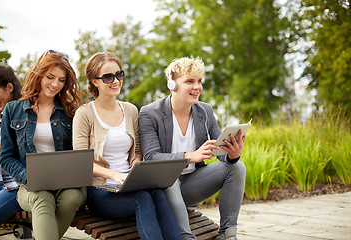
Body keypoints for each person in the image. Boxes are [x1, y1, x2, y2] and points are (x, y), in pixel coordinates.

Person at [73, 51, 181, 240]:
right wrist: (116, 176)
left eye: (119, 74)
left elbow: (137, 151)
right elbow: (81, 162)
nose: (116, 81)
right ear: (94, 81)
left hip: (130, 184)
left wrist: (135, 169)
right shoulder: (85, 114)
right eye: (108, 77)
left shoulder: (130, 110)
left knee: (157, 193)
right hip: (101, 191)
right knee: (144, 199)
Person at [139, 57, 247, 240]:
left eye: (199, 81)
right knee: (169, 175)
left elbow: (220, 151)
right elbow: (151, 157)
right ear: (172, 84)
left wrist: (232, 155)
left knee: (237, 167)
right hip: (163, 188)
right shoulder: (150, 113)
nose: (197, 87)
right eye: (190, 81)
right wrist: (190, 156)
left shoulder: (205, 112)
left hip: (191, 186)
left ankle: (228, 234)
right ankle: (186, 237)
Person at [0, 50, 86, 240]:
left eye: (62, 80)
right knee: (42, 197)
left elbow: (80, 151)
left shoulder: (71, 112)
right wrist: (28, 176)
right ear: (39, 74)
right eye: (50, 77)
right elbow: (6, 157)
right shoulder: (13, 110)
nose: (55, 84)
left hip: (68, 183)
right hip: (31, 184)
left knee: (72, 199)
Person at [0, 65, 22, 230]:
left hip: (15, 186)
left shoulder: (25, 111)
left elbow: (32, 143)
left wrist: (2, 145)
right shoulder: (3, 114)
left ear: (9, 87)